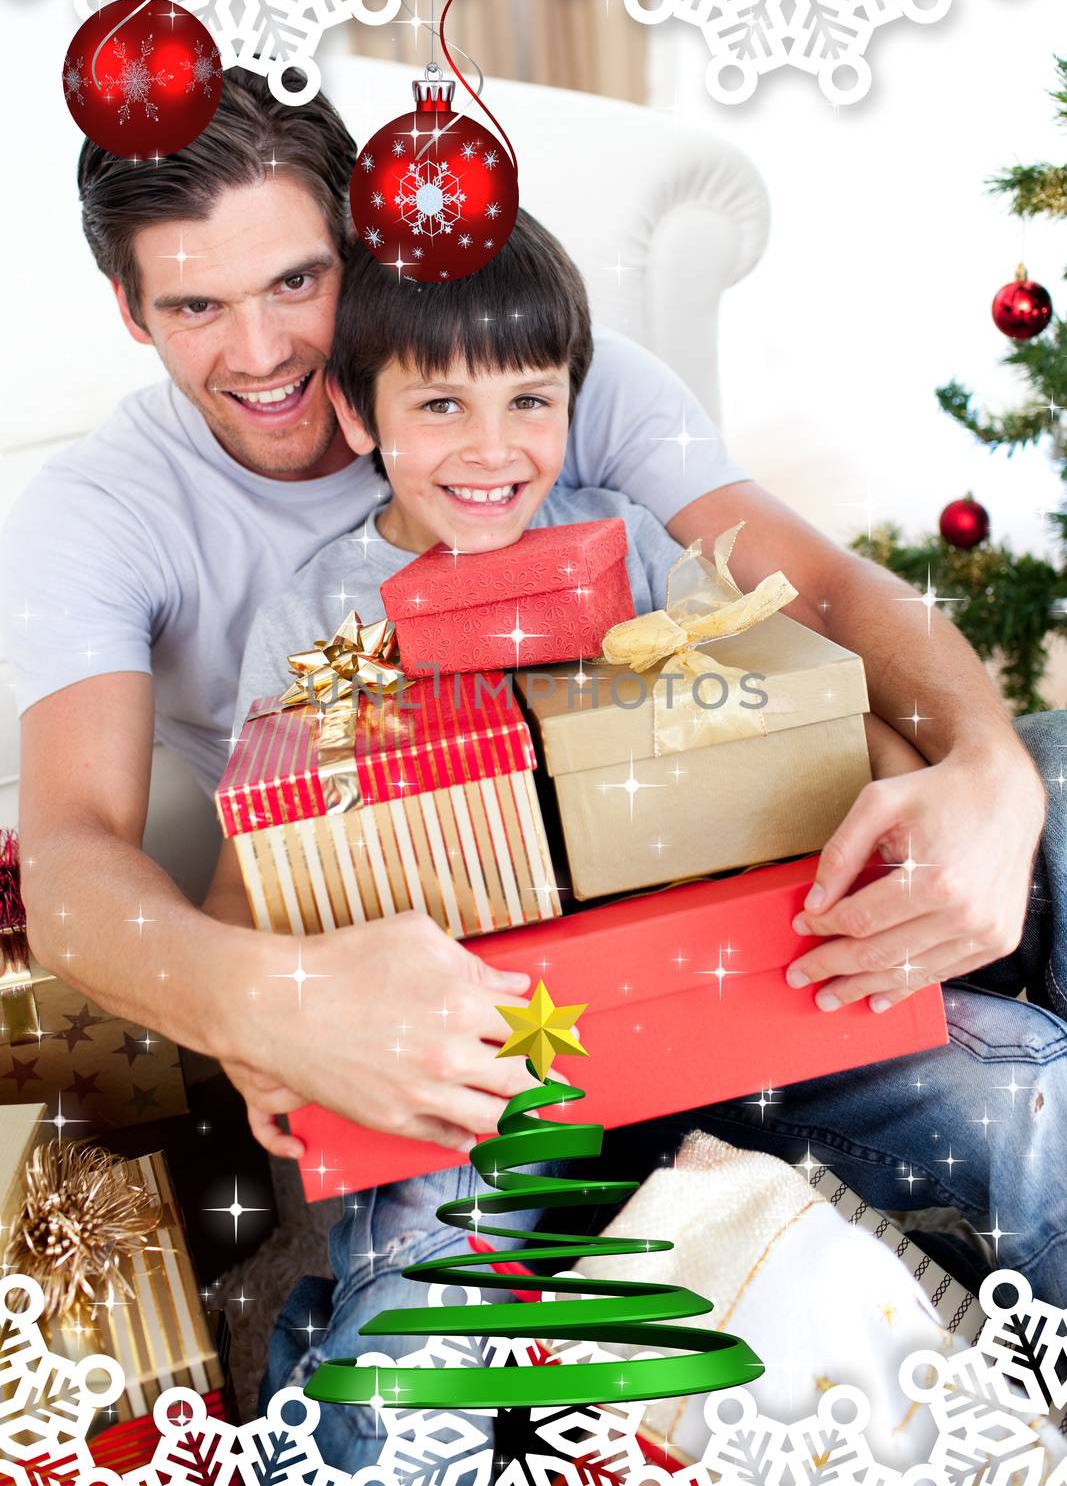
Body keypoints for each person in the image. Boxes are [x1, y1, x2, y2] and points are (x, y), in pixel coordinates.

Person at [0, 67, 1058, 1296]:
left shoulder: (560, 374)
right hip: (448, 1021)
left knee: (1050, 806)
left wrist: (984, 776)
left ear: (366, 232)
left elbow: (814, 599)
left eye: (297, 279)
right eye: (195, 306)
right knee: (415, 1340)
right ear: (129, 310)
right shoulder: (101, 517)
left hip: (715, 951)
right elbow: (74, 862)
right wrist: (262, 1003)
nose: (263, 350)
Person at [203, 205, 1067, 1471]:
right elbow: (245, 877)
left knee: (1026, 1088)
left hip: (729, 1015)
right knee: (400, 1366)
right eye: (438, 406)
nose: (491, 448)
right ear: (355, 412)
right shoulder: (318, 613)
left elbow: (802, 712)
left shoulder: (647, 552)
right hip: (478, 1084)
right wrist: (256, 1033)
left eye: (529, 399)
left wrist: (913, 810)